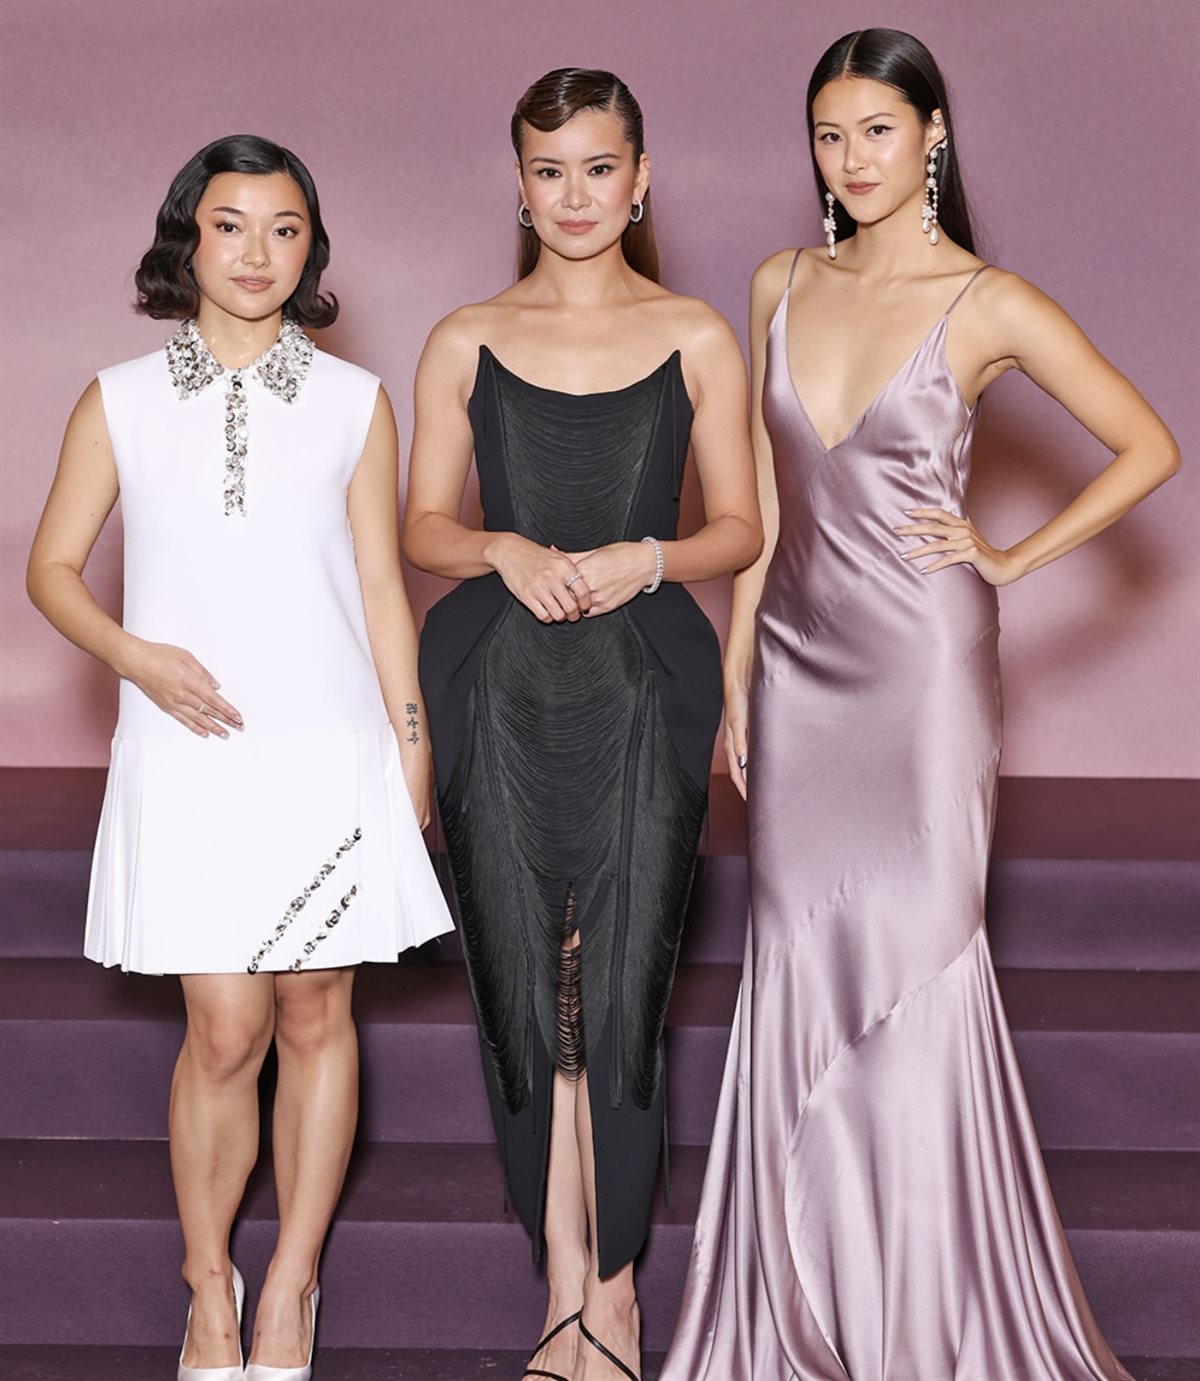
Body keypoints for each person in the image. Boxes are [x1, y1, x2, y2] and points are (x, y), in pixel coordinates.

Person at [661, 28, 1180, 1381]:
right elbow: (764, 499)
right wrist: (737, 666)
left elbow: (1149, 445)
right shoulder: (780, 281)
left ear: (933, 135)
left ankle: (924, 1323)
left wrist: (1007, 557)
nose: (851, 158)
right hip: (797, 670)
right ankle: (800, 1316)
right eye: (829, 135)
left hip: (922, 673)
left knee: (917, 965)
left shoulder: (986, 302)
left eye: (878, 131)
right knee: (795, 964)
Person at [26, 134, 453, 1381]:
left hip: (330, 749)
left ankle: (291, 1287)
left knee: (318, 1011)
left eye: (284, 228)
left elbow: (384, 590)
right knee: (224, 1026)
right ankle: (206, 1278)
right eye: (230, 225)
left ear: (311, 248)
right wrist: (136, 657)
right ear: (189, 238)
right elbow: (51, 570)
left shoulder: (356, 402)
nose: (257, 252)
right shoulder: (118, 397)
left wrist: (412, 748)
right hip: (188, 747)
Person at [404, 68, 761, 1381]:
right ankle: (567, 1290)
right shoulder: (463, 337)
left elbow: (742, 526)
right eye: (549, 171)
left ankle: (616, 1298)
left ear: (641, 178)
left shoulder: (697, 334)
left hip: (645, 682)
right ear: (519, 183)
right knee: (525, 993)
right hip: (493, 684)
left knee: (616, 991)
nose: (574, 195)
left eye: (599, 169)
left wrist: (650, 558)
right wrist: (497, 545)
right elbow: (420, 526)